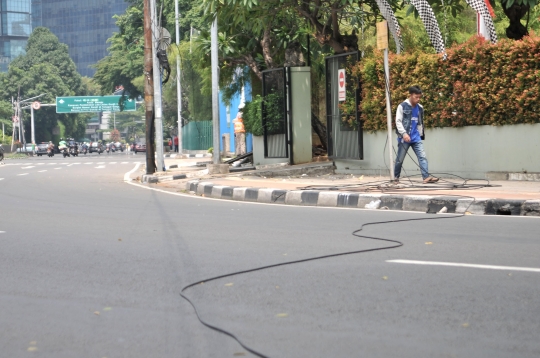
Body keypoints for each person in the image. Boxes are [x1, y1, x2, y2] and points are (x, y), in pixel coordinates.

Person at [394, 86, 438, 184]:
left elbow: (419, 123)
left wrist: (420, 134)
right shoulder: (402, 106)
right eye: (416, 97)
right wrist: (404, 134)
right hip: (404, 138)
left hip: (416, 137)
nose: (418, 99)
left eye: (419, 97)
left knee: (422, 156)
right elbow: (398, 121)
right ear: (411, 95)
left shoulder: (420, 108)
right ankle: (395, 177)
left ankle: (426, 177)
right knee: (399, 159)